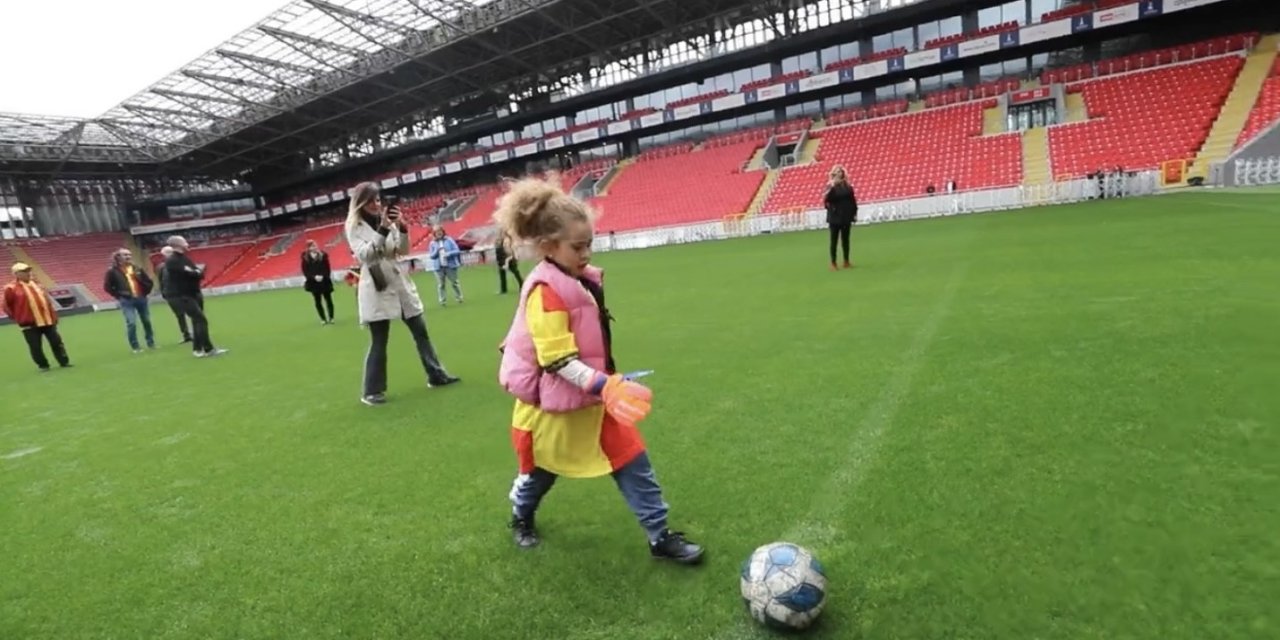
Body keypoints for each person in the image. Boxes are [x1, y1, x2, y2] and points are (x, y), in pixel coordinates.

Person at [493, 177, 704, 564]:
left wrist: (602, 387)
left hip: (594, 400)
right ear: (547, 247)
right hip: (549, 412)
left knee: (633, 462)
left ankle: (660, 537)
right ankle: (521, 517)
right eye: (577, 246)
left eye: (589, 243)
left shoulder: (578, 279)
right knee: (539, 475)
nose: (586, 252)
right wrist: (604, 384)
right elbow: (555, 360)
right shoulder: (545, 291)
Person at [344, 181, 459, 406]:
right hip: (377, 283)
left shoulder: (386, 219)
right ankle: (371, 391)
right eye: (370, 201)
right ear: (360, 203)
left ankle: (436, 374)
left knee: (420, 330)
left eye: (378, 200)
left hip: (399, 281)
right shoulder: (353, 226)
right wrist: (384, 228)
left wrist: (403, 227)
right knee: (379, 338)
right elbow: (366, 256)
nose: (376, 205)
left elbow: (403, 250)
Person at [164, 235, 227, 358]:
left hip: (193, 293)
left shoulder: (184, 259)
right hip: (183, 295)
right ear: (178, 245)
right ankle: (208, 349)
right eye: (185, 242)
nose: (188, 244)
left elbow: (198, 273)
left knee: (197, 321)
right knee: (201, 320)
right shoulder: (172, 260)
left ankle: (197, 350)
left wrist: (195, 272)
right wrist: (195, 272)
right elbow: (191, 273)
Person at [3, 262, 71, 372]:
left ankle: (64, 361)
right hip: (28, 323)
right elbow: (6, 305)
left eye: (28, 271)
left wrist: (53, 316)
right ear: (16, 274)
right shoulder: (11, 288)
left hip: (47, 320)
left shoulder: (37, 284)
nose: (28, 273)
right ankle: (43, 365)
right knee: (35, 346)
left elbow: (47, 302)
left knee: (56, 341)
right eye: (24, 271)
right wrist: (19, 318)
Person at [103, 248, 156, 352]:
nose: (128, 257)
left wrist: (145, 292)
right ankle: (135, 347)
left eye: (129, 255)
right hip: (126, 300)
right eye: (125, 255)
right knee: (131, 323)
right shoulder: (112, 271)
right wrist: (119, 295)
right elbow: (107, 287)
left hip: (141, 298)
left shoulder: (136, 268)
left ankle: (151, 343)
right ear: (118, 257)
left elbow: (148, 281)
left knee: (147, 321)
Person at [823, 164, 858, 270]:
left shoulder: (848, 186)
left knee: (845, 239)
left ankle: (846, 261)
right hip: (834, 217)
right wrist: (833, 186)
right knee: (834, 240)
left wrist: (854, 213)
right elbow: (826, 200)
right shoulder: (830, 186)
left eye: (841, 171)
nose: (839, 173)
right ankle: (833, 263)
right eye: (837, 171)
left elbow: (853, 201)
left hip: (846, 216)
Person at [157, 246, 193, 344]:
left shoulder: (181, 263)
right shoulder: (161, 267)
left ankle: (195, 332)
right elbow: (161, 281)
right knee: (179, 315)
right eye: (166, 253)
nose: (168, 255)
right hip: (171, 294)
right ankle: (186, 334)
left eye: (170, 252)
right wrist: (163, 292)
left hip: (184, 292)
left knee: (192, 312)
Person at [427, 226, 465, 307]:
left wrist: (449, 254)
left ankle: (459, 297)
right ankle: (442, 301)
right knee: (441, 284)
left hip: (450, 265)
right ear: (434, 234)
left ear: (443, 232)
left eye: (440, 231)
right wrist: (436, 251)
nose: (439, 233)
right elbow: (431, 256)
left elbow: (457, 250)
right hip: (439, 267)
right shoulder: (432, 243)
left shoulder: (449, 240)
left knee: (454, 283)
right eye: (437, 232)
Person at [300, 239, 335, 325]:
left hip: (324, 281)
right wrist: (313, 277)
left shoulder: (323, 255)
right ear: (308, 248)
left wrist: (323, 276)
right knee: (317, 301)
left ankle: (331, 317)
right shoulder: (305, 258)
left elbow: (327, 268)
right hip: (313, 283)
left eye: (315, 245)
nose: (315, 247)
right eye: (312, 246)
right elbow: (305, 271)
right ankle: (323, 319)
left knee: (328, 300)